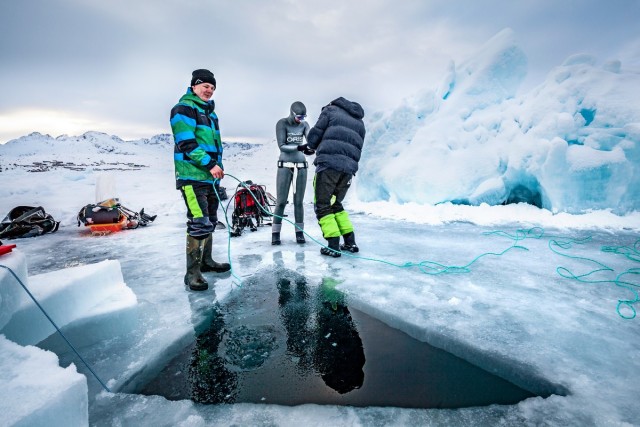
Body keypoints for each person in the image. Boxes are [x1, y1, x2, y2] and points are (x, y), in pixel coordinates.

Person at [170, 69, 230, 291]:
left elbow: (214, 145)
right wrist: (210, 164)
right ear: (194, 85)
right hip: (192, 176)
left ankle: (206, 262)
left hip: (209, 178)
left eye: (212, 88)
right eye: (205, 86)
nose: (209, 91)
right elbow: (186, 143)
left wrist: (218, 166)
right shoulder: (183, 109)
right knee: (199, 221)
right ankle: (192, 273)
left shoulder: (211, 114)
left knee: (210, 221)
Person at [298, 97, 365, 257]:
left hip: (328, 165)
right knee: (336, 204)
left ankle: (333, 245)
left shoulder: (330, 110)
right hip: (348, 169)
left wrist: (310, 147)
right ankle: (350, 242)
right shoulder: (359, 122)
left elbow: (315, 134)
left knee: (322, 205)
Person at [272, 101, 312, 245]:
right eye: (299, 117)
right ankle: (275, 233)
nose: (301, 120)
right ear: (292, 113)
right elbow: (282, 146)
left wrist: (311, 148)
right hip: (285, 164)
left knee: (298, 202)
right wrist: (300, 147)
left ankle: (299, 233)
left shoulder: (304, 125)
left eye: (303, 117)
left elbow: (311, 140)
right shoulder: (282, 123)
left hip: (301, 166)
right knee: (281, 201)